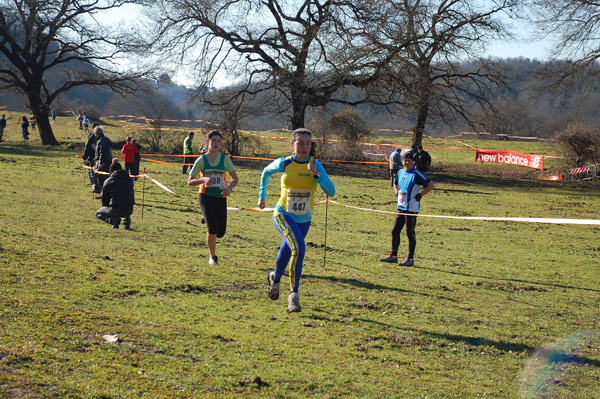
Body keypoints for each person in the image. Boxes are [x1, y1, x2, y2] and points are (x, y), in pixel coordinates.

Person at [259, 128, 335, 313]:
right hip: (283, 214)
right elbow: (266, 172)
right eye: (300, 143)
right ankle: (293, 296)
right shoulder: (284, 163)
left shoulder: (315, 165)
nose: (304, 147)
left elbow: (331, 191)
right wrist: (262, 196)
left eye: (308, 143)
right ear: (292, 145)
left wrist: (317, 175)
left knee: (287, 250)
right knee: (299, 249)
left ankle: (275, 278)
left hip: (304, 219)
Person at [187, 130, 239, 266]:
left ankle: (207, 216)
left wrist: (229, 189)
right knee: (213, 228)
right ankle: (212, 256)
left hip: (220, 197)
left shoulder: (225, 160)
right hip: (205, 196)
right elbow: (190, 181)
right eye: (214, 140)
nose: (216, 143)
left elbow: (235, 179)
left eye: (218, 141)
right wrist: (202, 179)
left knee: (220, 232)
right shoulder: (202, 160)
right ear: (207, 142)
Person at [380, 152, 434, 266]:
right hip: (401, 207)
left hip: (412, 208)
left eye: (409, 160)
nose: (407, 162)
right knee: (395, 231)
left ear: (413, 162)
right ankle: (393, 256)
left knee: (410, 232)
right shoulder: (400, 172)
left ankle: (410, 259)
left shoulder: (416, 173)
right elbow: (395, 184)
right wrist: (397, 192)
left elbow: (431, 185)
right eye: (405, 160)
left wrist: (421, 194)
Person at [95, 160, 135, 230]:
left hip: (116, 209)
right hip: (130, 210)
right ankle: (126, 224)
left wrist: (106, 207)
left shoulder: (109, 180)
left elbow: (104, 198)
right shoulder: (129, 180)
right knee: (124, 201)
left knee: (98, 213)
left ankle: (113, 221)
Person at [93, 127, 112, 196]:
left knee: (101, 179)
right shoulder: (105, 139)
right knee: (105, 178)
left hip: (103, 163)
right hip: (107, 162)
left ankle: (104, 194)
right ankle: (104, 193)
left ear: (96, 133)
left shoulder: (101, 141)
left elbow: (102, 153)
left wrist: (101, 163)